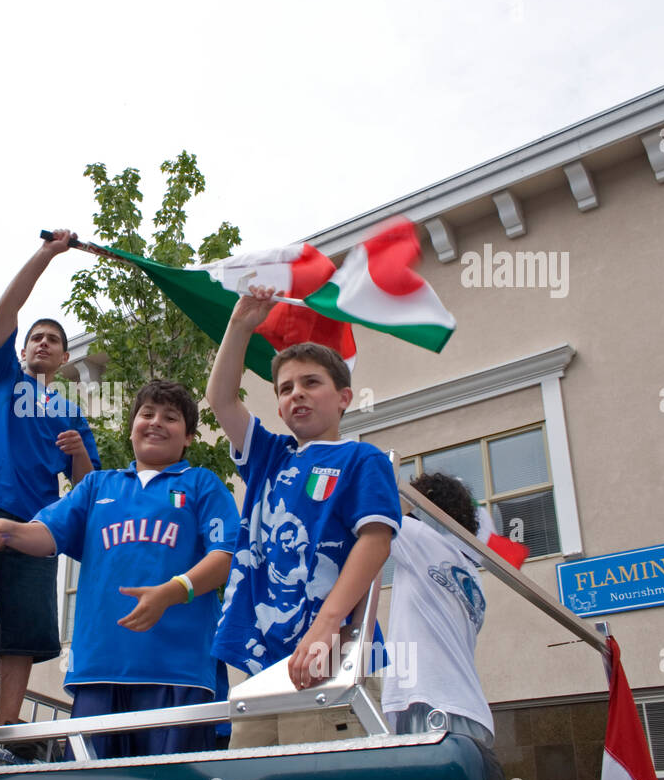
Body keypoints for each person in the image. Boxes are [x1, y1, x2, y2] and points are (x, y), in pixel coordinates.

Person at [0, 380, 239, 757]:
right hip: (98, 671)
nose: (156, 423)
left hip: (177, 671)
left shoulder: (202, 484)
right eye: (146, 414)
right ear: (131, 426)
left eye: (170, 417)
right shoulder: (97, 486)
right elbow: (45, 534)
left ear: (189, 437)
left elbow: (225, 558)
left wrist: (171, 591)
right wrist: (11, 531)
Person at [207, 295, 401, 747]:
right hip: (262, 667)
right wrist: (238, 325)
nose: (297, 393)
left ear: (343, 398)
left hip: (332, 657)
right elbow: (220, 398)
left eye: (311, 383)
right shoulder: (270, 456)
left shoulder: (362, 459)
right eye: (286, 388)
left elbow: (376, 541)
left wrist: (326, 626)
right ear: (278, 407)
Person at [0, 229, 101, 726]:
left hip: (35, 528)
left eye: (53, 340)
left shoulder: (72, 413)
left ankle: (8, 726)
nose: (43, 343)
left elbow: (87, 486)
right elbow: (6, 308)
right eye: (36, 337)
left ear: (63, 358)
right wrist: (49, 253)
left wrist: (77, 454)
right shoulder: (3, 380)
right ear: (24, 348)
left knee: (22, 633)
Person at [382, 472, 494, 746]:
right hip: (469, 711)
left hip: (432, 702)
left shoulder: (422, 540)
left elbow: (371, 509)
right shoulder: (471, 575)